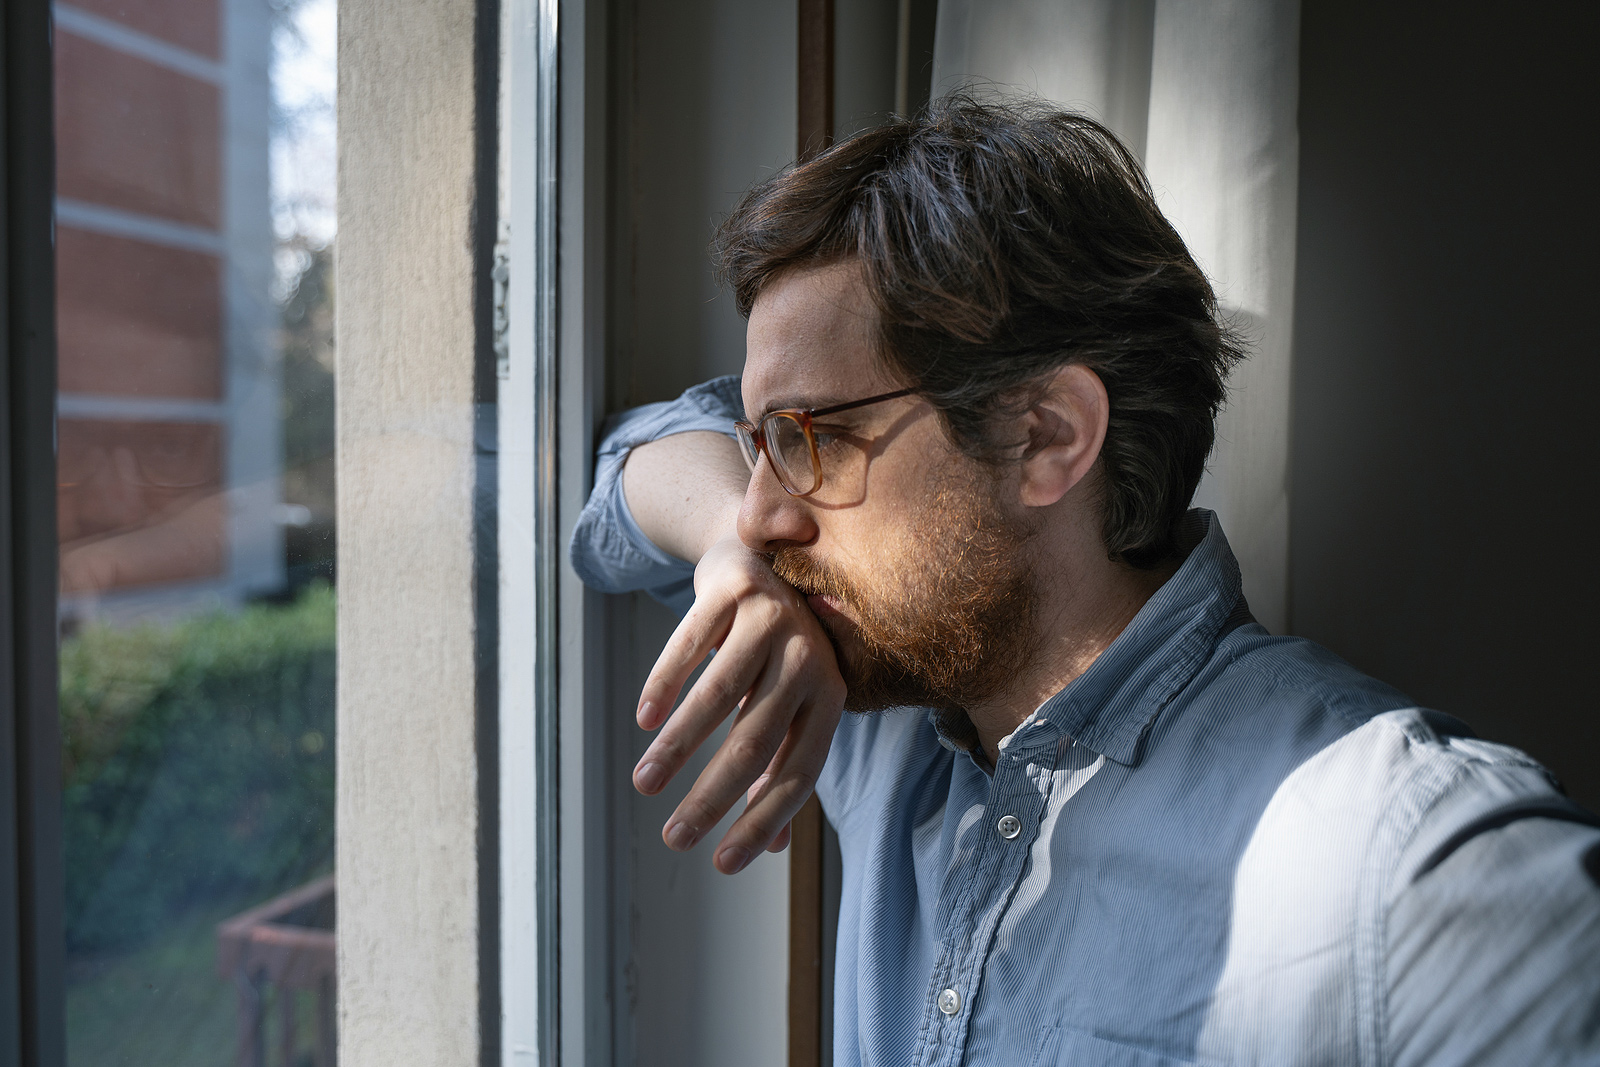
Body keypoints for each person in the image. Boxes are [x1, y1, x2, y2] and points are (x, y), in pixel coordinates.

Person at [569, 98, 1600, 1066]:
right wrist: (725, 555)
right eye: (756, 445)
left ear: (1045, 436)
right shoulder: (870, 695)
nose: (761, 514)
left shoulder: (1405, 860)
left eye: (813, 439)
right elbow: (628, 464)